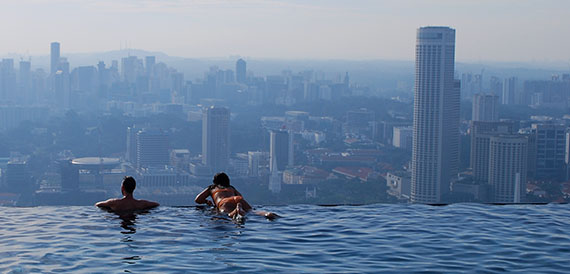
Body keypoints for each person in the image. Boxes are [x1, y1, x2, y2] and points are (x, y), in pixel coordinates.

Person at [195, 172, 278, 220]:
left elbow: (198, 199)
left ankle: (237, 211)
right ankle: (268, 214)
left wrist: (206, 201)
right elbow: (240, 197)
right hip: (237, 199)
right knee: (253, 212)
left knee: (228, 215)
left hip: (224, 202)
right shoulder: (231, 188)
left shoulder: (212, 188)